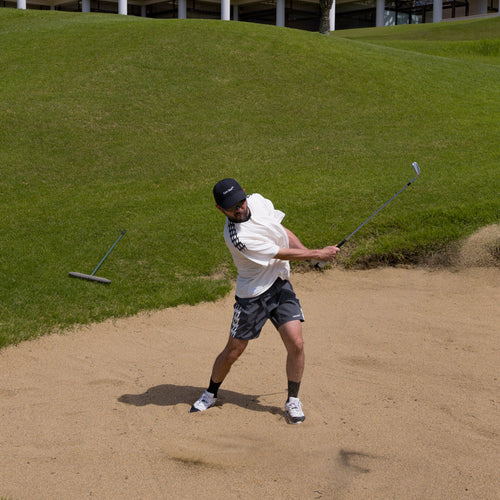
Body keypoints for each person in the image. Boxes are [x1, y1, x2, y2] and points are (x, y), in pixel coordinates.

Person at [190, 178, 340, 424]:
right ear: (220, 210)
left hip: (280, 285)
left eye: (240, 201)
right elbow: (278, 252)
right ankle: (210, 393)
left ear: (245, 194)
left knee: (296, 342)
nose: (239, 208)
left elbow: (281, 234)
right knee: (233, 352)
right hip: (253, 296)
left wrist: (311, 254)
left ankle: (292, 400)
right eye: (231, 207)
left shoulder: (258, 202)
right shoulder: (238, 237)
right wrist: (317, 254)